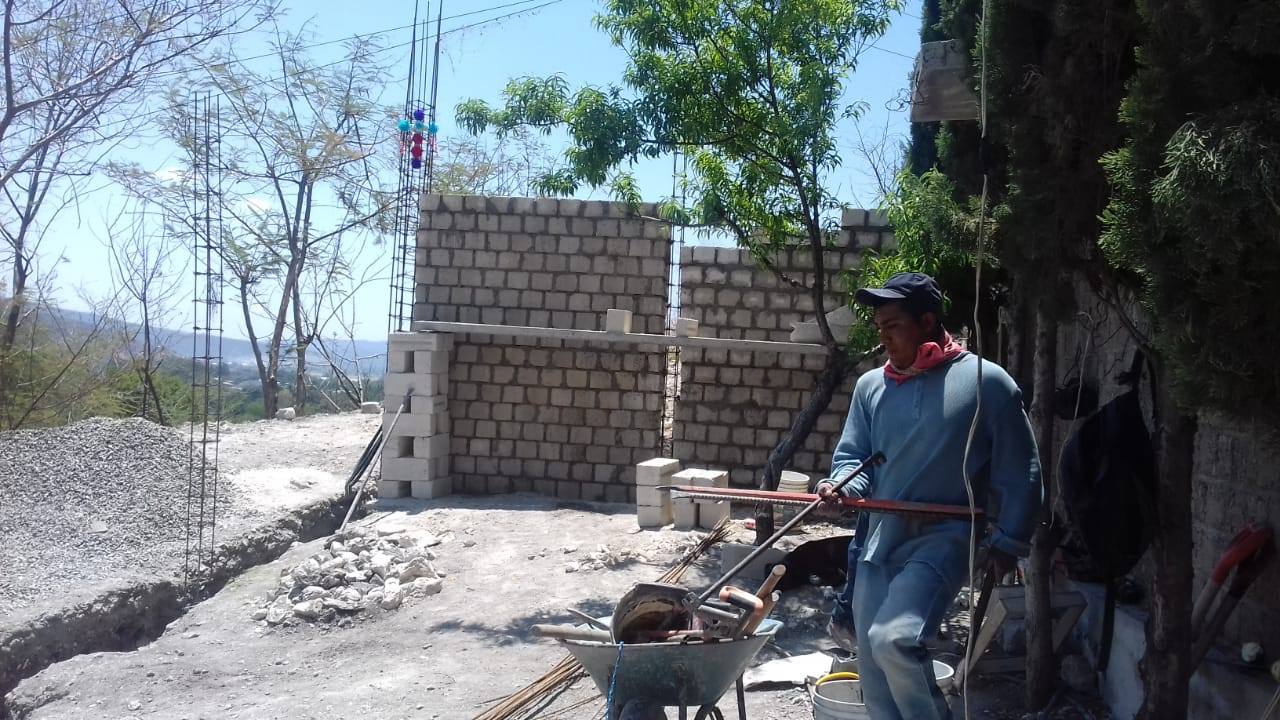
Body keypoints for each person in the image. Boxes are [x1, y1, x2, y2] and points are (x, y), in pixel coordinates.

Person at [816, 271, 1042, 720]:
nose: (883, 338)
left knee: (894, 640)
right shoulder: (870, 388)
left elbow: (1023, 469)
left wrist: (1010, 540)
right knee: (872, 664)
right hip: (879, 542)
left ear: (927, 321)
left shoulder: (985, 382)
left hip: (944, 538)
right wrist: (841, 487)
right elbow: (853, 457)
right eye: (879, 327)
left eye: (893, 325)